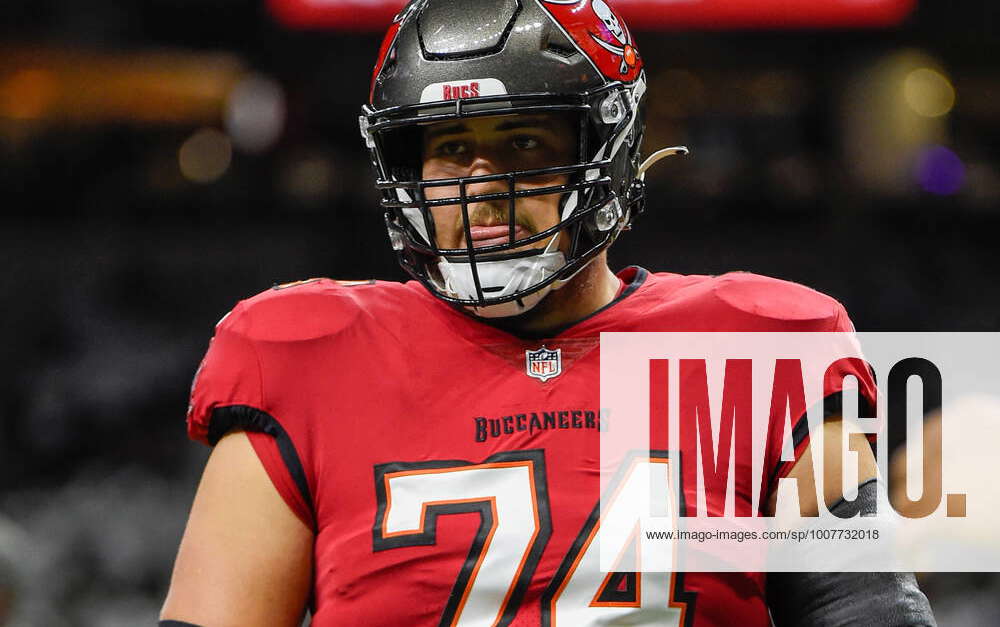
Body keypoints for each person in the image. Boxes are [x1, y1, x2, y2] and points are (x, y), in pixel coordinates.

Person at [161, 0, 935, 625]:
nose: (482, 185)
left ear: (610, 150)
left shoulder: (759, 347)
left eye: (524, 141)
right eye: (450, 148)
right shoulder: (304, 355)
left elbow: (865, 611)